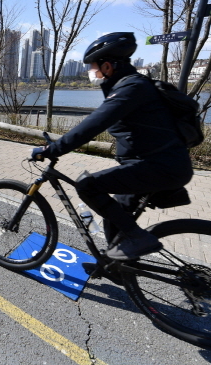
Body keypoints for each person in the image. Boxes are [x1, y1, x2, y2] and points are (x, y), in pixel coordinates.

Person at [31, 32, 193, 260]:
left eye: (94, 67)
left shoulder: (131, 88)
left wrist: (52, 149)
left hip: (160, 167)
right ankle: (114, 266)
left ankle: (139, 238)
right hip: (157, 165)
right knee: (114, 214)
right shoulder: (131, 86)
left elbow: (93, 124)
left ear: (107, 67)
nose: (92, 73)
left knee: (87, 185)